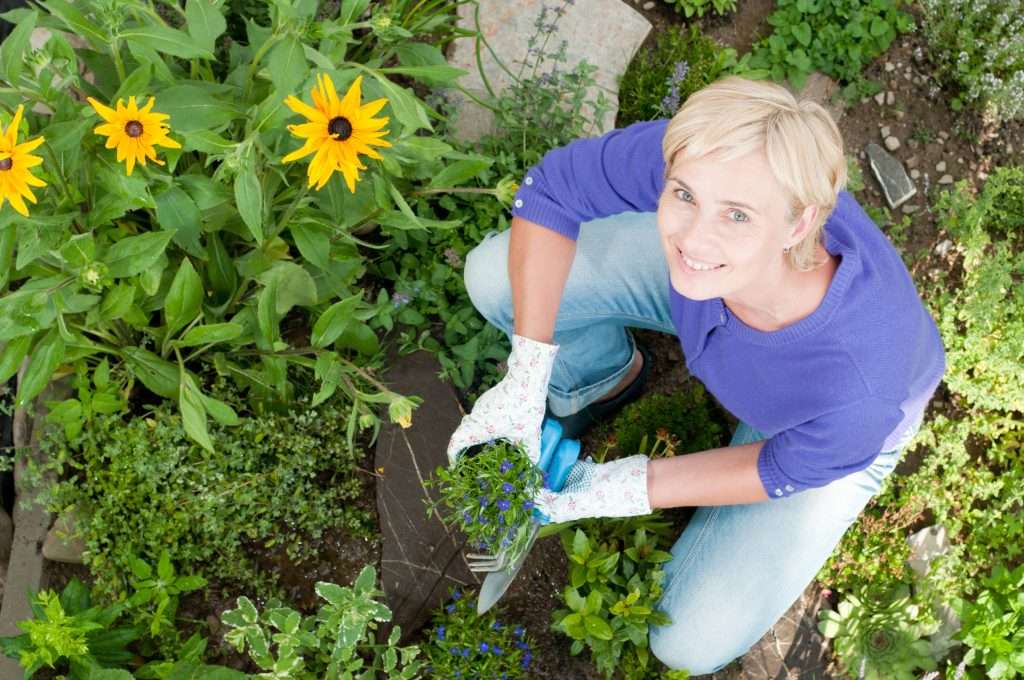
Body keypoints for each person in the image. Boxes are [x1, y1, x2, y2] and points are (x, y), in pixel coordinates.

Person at [445, 75, 945, 674]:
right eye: (683, 196)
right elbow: (553, 192)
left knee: (688, 642)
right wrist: (526, 370)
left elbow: (781, 468)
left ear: (796, 224)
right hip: (713, 293)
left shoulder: (861, 388)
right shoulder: (711, 158)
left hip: (800, 424)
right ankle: (600, 381)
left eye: (737, 214)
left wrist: (618, 486)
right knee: (495, 278)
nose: (694, 234)